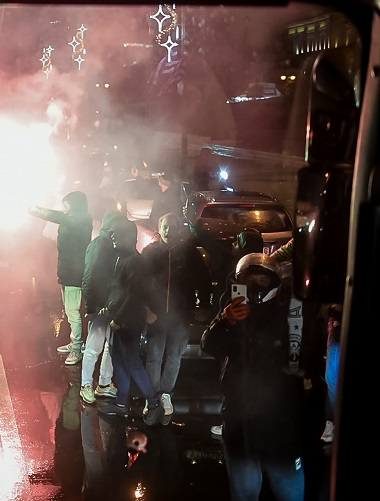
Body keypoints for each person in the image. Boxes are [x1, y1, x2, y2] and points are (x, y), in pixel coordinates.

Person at [201, 253, 306, 501]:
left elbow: (303, 357)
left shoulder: (292, 308)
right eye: (250, 279)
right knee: (244, 492)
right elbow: (210, 346)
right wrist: (225, 321)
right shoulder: (232, 309)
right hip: (240, 418)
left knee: (290, 491)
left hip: (281, 420)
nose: (257, 284)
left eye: (263, 278)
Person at [141, 212, 211, 418]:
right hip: (157, 314)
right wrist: (145, 309)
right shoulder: (150, 252)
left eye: (172, 226)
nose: (168, 231)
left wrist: (203, 306)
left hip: (181, 314)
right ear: (159, 228)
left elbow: (203, 281)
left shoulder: (189, 252)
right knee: (154, 356)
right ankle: (151, 397)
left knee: (174, 355)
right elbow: (138, 283)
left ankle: (165, 393)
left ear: (179, 229)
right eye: (165, 227)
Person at [98, 218, 165, 426]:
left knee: (132, 362)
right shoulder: (123, 258)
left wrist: (118, 318)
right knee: (119, 360)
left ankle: (153, 403)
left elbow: (134, 295)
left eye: (117, 234)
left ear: (128, 236)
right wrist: (109, 307)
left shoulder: (134, 261)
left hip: (129, 321)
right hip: (122, 319)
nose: (113, 237)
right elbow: (120, 290)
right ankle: (121, 405)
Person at [29, 190, 94, 366]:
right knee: (69, 309)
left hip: (75, 273)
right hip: (66, 271)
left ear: (75, 205)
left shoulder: (82, 219)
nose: (64, 209)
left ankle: (77, 348)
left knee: (73, 312)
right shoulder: (72, 218)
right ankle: (75, 342)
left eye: (67, 206)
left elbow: (58, 217)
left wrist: (34, 209)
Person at [78, 209, 123, 405]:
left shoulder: (113, 245)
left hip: (112, 306)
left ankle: (104, 384)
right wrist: (90, 307)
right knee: (94, 346)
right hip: (100, 306)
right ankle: (86, 385)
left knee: (110, 346)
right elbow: (88, 277)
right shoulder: (99, 245)